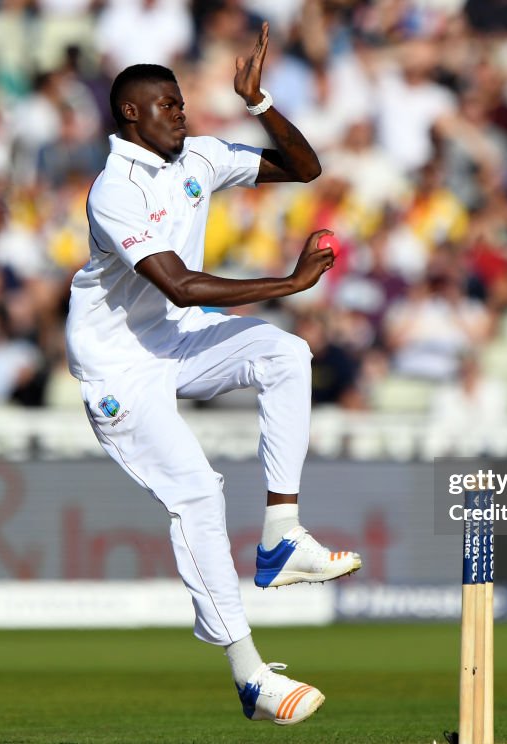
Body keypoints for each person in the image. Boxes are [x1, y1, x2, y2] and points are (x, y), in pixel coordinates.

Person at [64, 24, 361, 726]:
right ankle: (250, 675)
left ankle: (282, 536)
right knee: (198, 494)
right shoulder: (116, 189)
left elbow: (304, 169)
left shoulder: (197, 155)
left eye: (181, 101)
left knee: (286, 355)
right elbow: (180, 285)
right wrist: (286, 286)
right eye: (165, 105)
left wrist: (258, 104)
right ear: (131, 114)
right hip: (120, 369)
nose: (181, 112)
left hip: (175, 341)